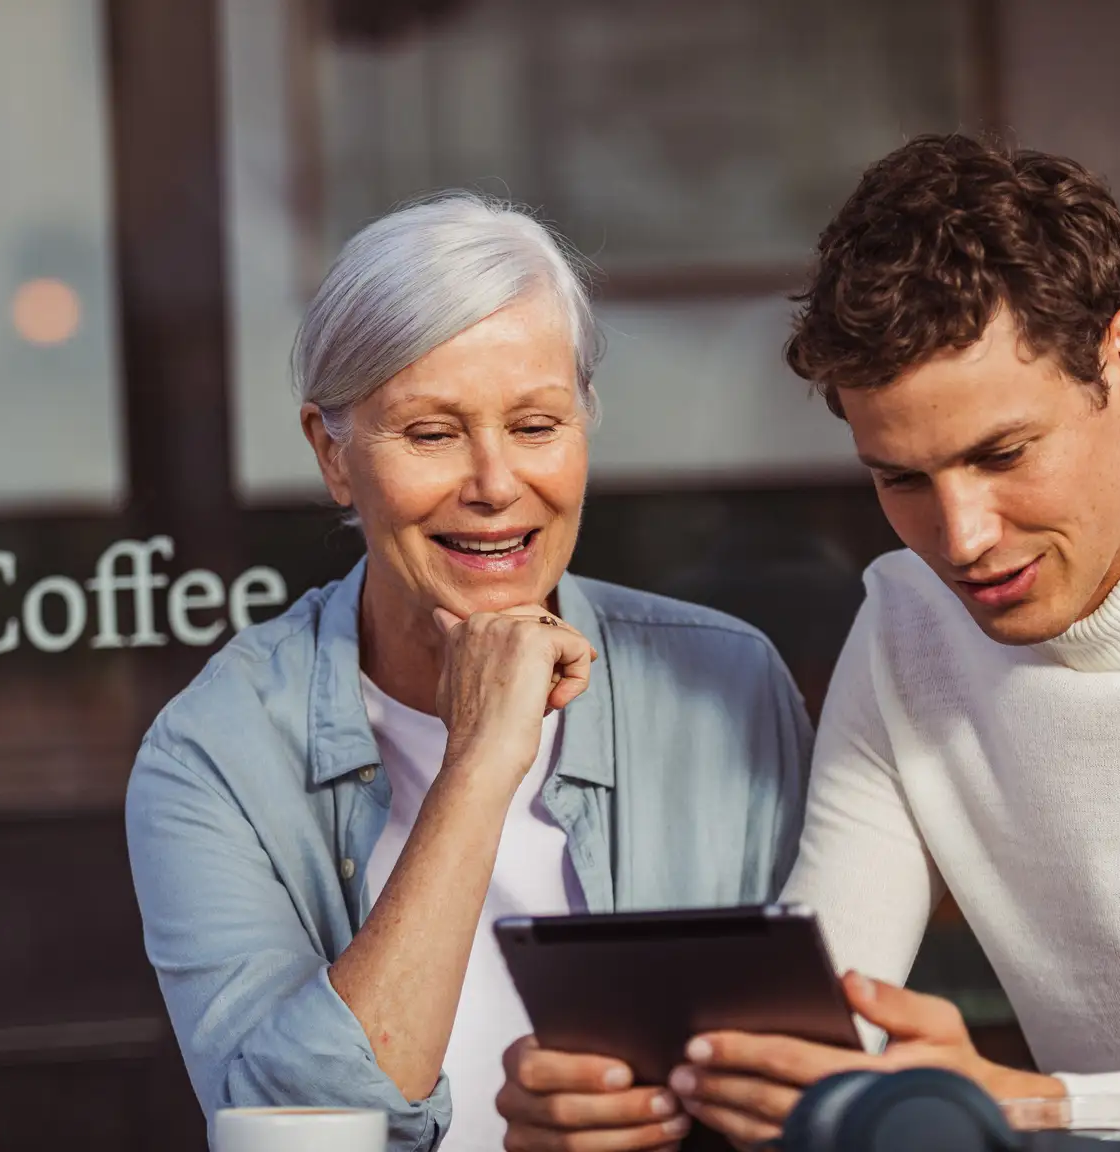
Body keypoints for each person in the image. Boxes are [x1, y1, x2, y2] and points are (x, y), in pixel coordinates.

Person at [495, 135, 1120, 1152]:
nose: (962, 539)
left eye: (1004, 454)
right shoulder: (909, 623)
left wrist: (1036, 1102)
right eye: (901, 479)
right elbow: (834, 1019)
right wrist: (641, 1093)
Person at [124, 193, 813, 1152]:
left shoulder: (728, 683)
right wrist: (480, 761)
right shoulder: (213, 756)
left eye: (536, 426)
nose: (494, 485)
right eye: (433, 434)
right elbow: (297, 1136)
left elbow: (819, 1089)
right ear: (334, 455)